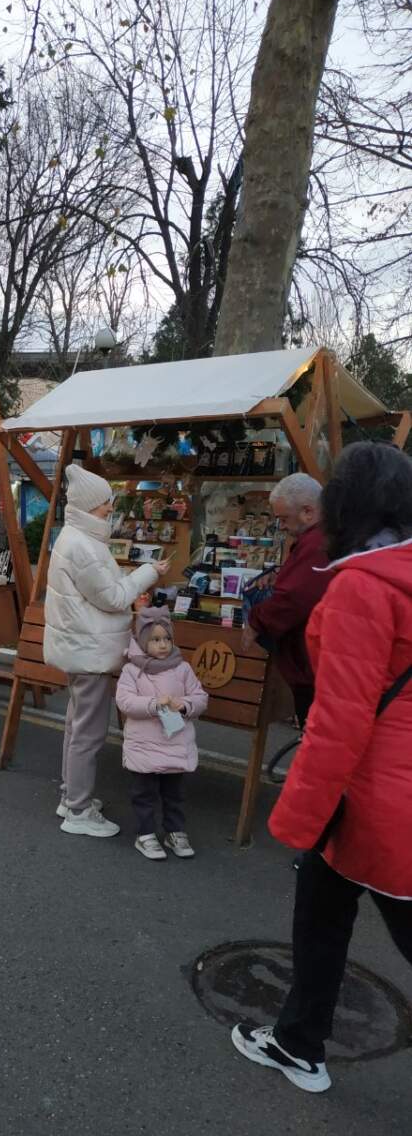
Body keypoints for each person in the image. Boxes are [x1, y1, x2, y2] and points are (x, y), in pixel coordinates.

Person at [232, 442, 412, 1094]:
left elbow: (340, 721)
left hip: (376, 801)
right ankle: (297, 1041)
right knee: (320, 916)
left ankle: (299, 1042)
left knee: (334, 917)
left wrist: (299, 818)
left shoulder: (363, 586)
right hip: (388, 793)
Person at [44, 463, 169, 836]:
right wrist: (149, 572)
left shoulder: (77, 538)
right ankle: (78, 811)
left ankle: (72, 797)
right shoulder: (83, 544)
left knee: (76, 725)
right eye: (106, 503)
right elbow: (115, 597)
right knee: (88, 733)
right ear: (89, 505)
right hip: (89, 651)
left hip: (82, 647)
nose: (110, 508)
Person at [115, 607, 208, 860]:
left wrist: (186, 705)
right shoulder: (132, 670)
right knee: (143, 793)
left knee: (174, 794)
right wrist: (154, 704)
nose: (163, 644)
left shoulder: (183, 668)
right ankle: (145, 834)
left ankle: (174, 831)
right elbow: (124, 701)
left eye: (167, 638)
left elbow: (200, 697)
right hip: (143, 745)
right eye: (156, 639)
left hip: (175, 742)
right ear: (143, 642)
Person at [242, 473, 332, 730]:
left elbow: (295, 598)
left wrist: (256, 620)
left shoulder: (317, 544)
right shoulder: (318, 540)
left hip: (312, 667)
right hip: (312, 664)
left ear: (308, 511)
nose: (281, 526)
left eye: (283, 519)